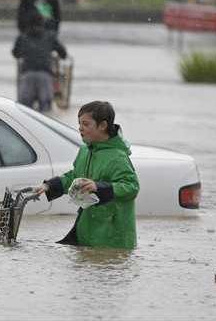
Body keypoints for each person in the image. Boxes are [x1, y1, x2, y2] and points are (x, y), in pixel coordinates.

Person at [34, 101, 140, 248]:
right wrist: (49, 185)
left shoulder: (118, 157)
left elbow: (131, 187)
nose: (80, 128)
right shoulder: (85, 151)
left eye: (85, 124)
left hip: (112, 237)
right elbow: (74, 177)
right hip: (87, 229)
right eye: (79, 124)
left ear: (102, 126)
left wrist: (98, 186)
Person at [12, 13, 67, 113]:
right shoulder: (50, 36)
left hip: (27, 75)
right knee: (45, 111)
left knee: (24, 110)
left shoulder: (22, 37)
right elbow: (63, 53)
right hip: (45, 76)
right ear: (43, 23)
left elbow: (15, 54)